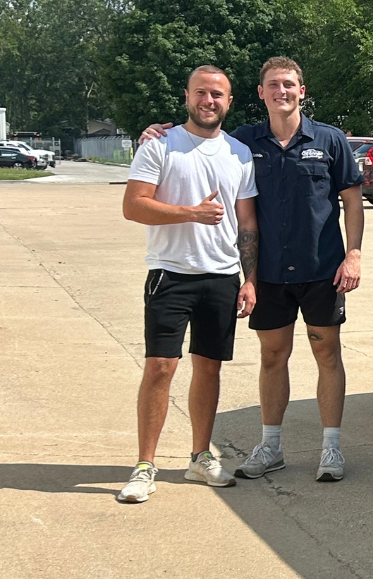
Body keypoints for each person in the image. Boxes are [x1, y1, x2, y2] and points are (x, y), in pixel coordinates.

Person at [139, 56, 364, 482]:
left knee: (326, 353)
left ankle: (331, 448)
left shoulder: (330, 140)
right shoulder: (243, 142)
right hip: (270, 274)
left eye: (289, 84)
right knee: (273, 356)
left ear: (302, 91)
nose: (282, 91)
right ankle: (271, 447)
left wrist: (353, 255)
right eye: (273, 85)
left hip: (322, 270)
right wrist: (154, 132)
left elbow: (352, 201)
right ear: (260, 93)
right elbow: (201, 133)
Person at [118, 65, 259, 503]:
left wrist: (249, 279)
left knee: (209, 367)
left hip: (222, 277)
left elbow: (247, 223)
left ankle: (200, 457)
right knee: (160, 367)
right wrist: (191, 213)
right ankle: (145, 466)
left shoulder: (239, 153)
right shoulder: (160, 145)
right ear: (187, 96)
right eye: (201, 92)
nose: (208, 101)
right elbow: (133, 206)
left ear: (229, 101)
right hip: (170, 273)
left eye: (217, 94)